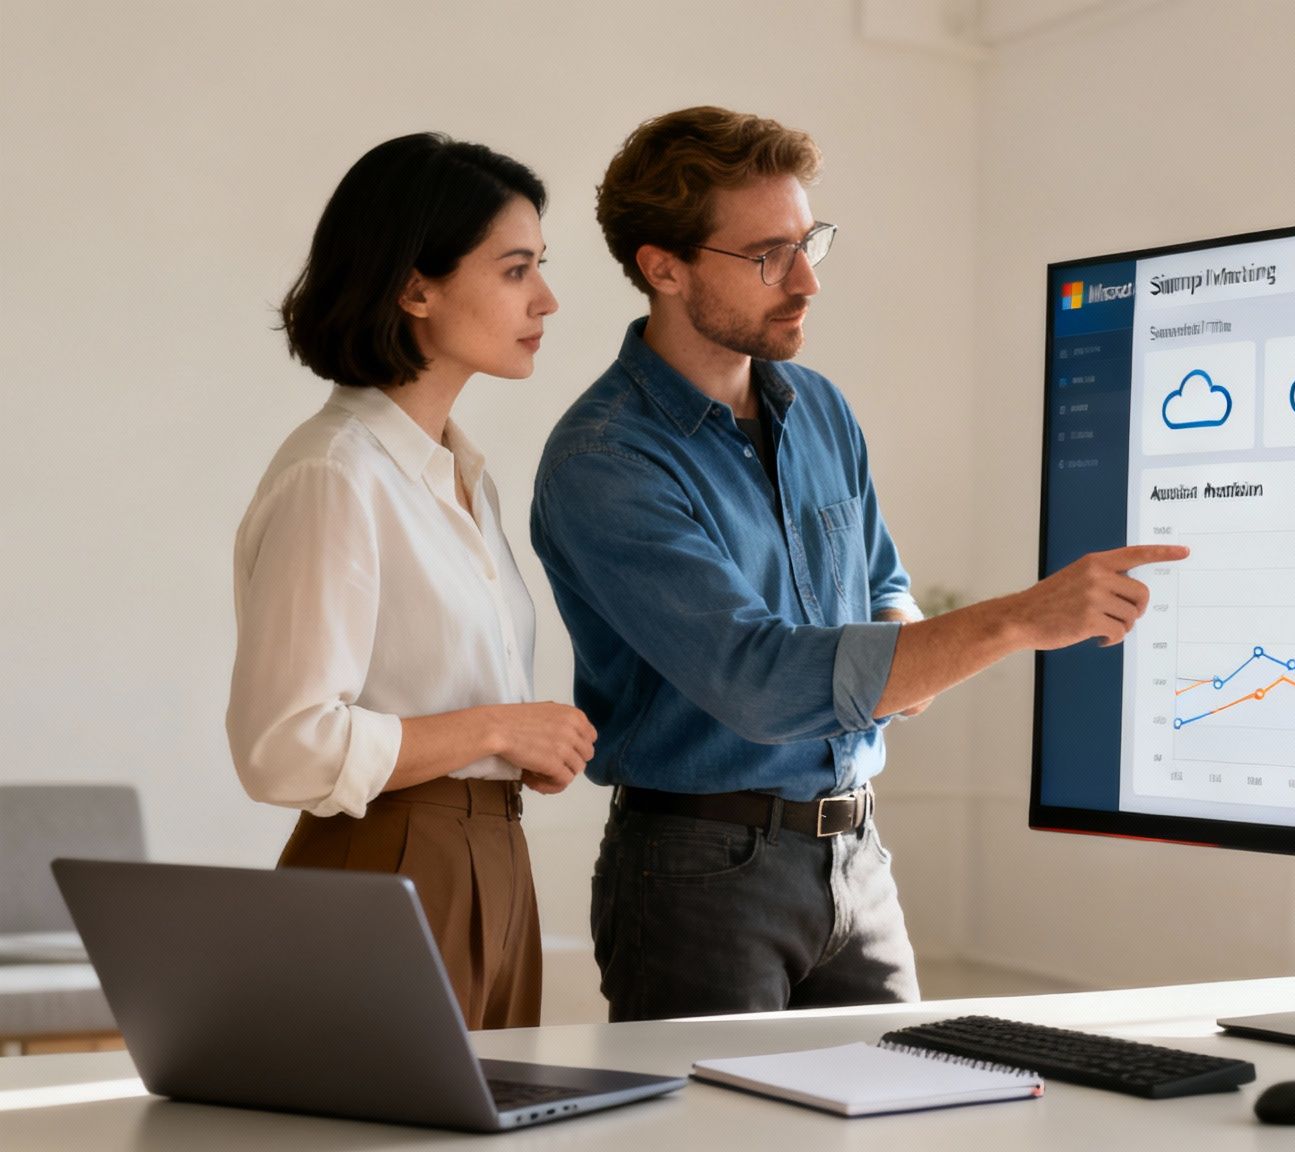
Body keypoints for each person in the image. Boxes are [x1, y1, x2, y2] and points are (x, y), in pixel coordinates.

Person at [529, 106, 1185, 1022]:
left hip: (858, 854)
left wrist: (903, 641)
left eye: (809, 243)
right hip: (698, 874)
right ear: (662, 266)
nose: (806, 281)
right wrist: (1014, 620)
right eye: (767, 255)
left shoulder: (819, 408)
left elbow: (881, 583)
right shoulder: (605, 461)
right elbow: (759, 683)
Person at [225, 133, 596, 1030]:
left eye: (541, 266)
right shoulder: (337, 473)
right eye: (515, 270)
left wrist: (518, 747)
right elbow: (283, 745)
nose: (547, 298)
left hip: (492, 856)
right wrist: (504, 725)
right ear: (414, 286)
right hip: (386, 863)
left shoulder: (462, 475)